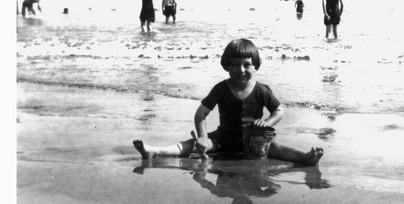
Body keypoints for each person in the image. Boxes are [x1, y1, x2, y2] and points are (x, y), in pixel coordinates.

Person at [133, 38, 324, 166]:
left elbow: (279, 111)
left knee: (277, 148)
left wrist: (266, 123)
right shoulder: (221, 88)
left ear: (255, 66)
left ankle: (307, 157)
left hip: (254, 140)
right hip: (222, 138)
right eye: (234, 65)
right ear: (226, 66)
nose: (240, 70)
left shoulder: (261, 90)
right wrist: (201, 137)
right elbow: (201, 114)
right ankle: (154, 151)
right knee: (193, 144)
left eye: (246, 65)